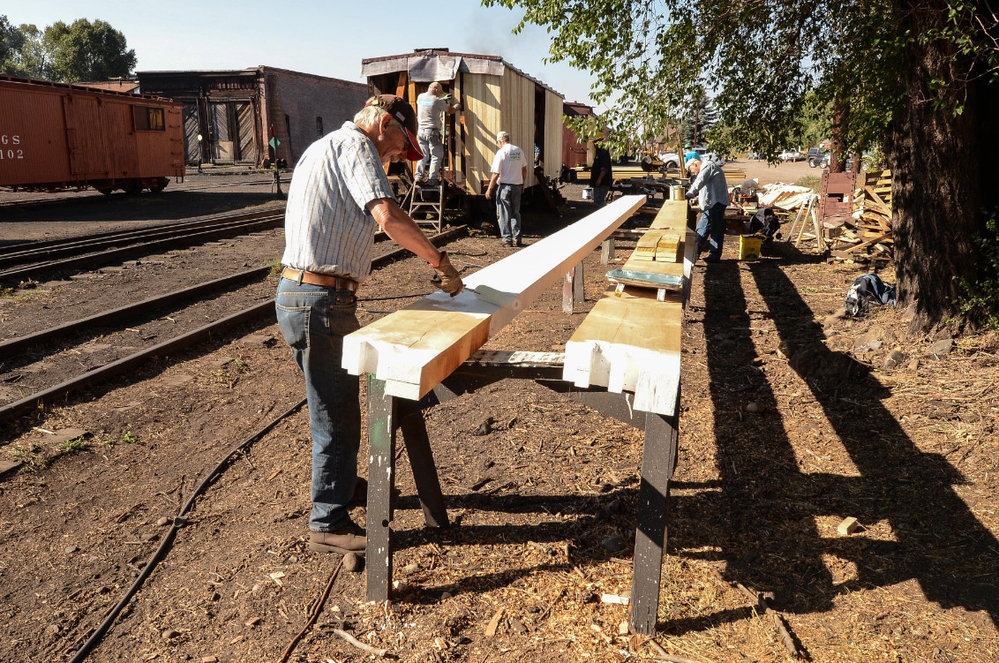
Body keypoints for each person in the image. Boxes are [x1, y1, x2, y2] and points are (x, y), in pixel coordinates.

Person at [276, 94, 464, 555]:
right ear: (383, 123)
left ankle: (343, 485)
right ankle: (327, 520)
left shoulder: (320, 148)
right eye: (403, 142)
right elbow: (386, 215)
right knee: (336, 417)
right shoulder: (357, 146)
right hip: (321, 300)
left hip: (307, 296)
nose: (403, 154)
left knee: (335, 409)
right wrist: (438, 261)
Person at [485, 131, 527, 247]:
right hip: (517, 187)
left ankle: (507, 239)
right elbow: (524, 169)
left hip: (504, 187)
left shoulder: (501, 152)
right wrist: (522, 184)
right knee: (515, 213)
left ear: (500, 141)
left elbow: (495, 174)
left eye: (498, 143)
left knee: (503, 214)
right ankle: (517, 238)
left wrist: (489, 189)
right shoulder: (518, 151)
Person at [685, 157, 730, 262]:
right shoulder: (707, 167)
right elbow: (704, 188)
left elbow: (699, 182)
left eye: (692, 171)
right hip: (711, 204)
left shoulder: (708, 166)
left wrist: (688, 195)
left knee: (716, 229)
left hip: (717, 203)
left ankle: (714, 256)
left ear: (695, 164)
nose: (694, 174)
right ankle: (694, 253)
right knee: (702, 228)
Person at [414, 82, 456, 187]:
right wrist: (456, 106)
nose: (439, 94)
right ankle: (432, 179)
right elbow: (450, 110)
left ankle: (418, 176)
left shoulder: (420, 97)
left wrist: (442, 99)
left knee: (423, 155)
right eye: (439, 92)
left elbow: (430, 104)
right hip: (432, 131)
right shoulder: (437, 101)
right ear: (437, 90)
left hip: (421, 131)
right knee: (436, 155)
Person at [590, 140, 613, 208]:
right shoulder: (598, 152)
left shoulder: (603, 152)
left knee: (599, 202)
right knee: (597, 201)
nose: (594, 145)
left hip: (602, 183)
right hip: (599, 183)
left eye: (595, 143)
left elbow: (604, 168)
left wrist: (599, 179)